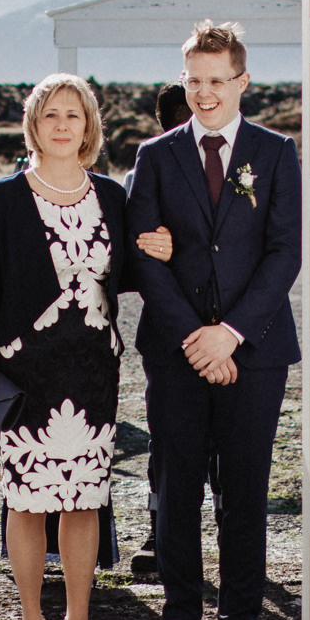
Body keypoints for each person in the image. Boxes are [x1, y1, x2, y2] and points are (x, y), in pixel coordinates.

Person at [125, 20, 301, 620]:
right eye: (194, 80)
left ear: (242, 81)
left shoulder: (276, 153)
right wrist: (195, 338)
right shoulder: (155, 156)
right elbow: (144, 256)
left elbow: (284, 253)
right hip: (176, 351)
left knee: (246, 490)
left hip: (255, 350)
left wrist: (229, 335)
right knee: (177, 487)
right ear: (184, 80)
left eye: (217, 80)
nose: (204, 93)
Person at [0, 74, 137, 620]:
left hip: (93, 371)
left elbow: (129, 273)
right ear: (33, 125)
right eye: (51, 115)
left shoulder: (111, 196)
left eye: (74, 115)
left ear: (89, 127)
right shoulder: (0, 200)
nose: (63, 125)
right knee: (28, 501)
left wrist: (162, 245)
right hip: (26, 372)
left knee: (85, 499)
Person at [129, 80, 219, 580]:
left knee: (222, 443)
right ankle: (161, 536)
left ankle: (223, 533)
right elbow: (140, 260)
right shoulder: (147, 170)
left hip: (229, 335)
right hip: (169, 335)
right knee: (168, 442)